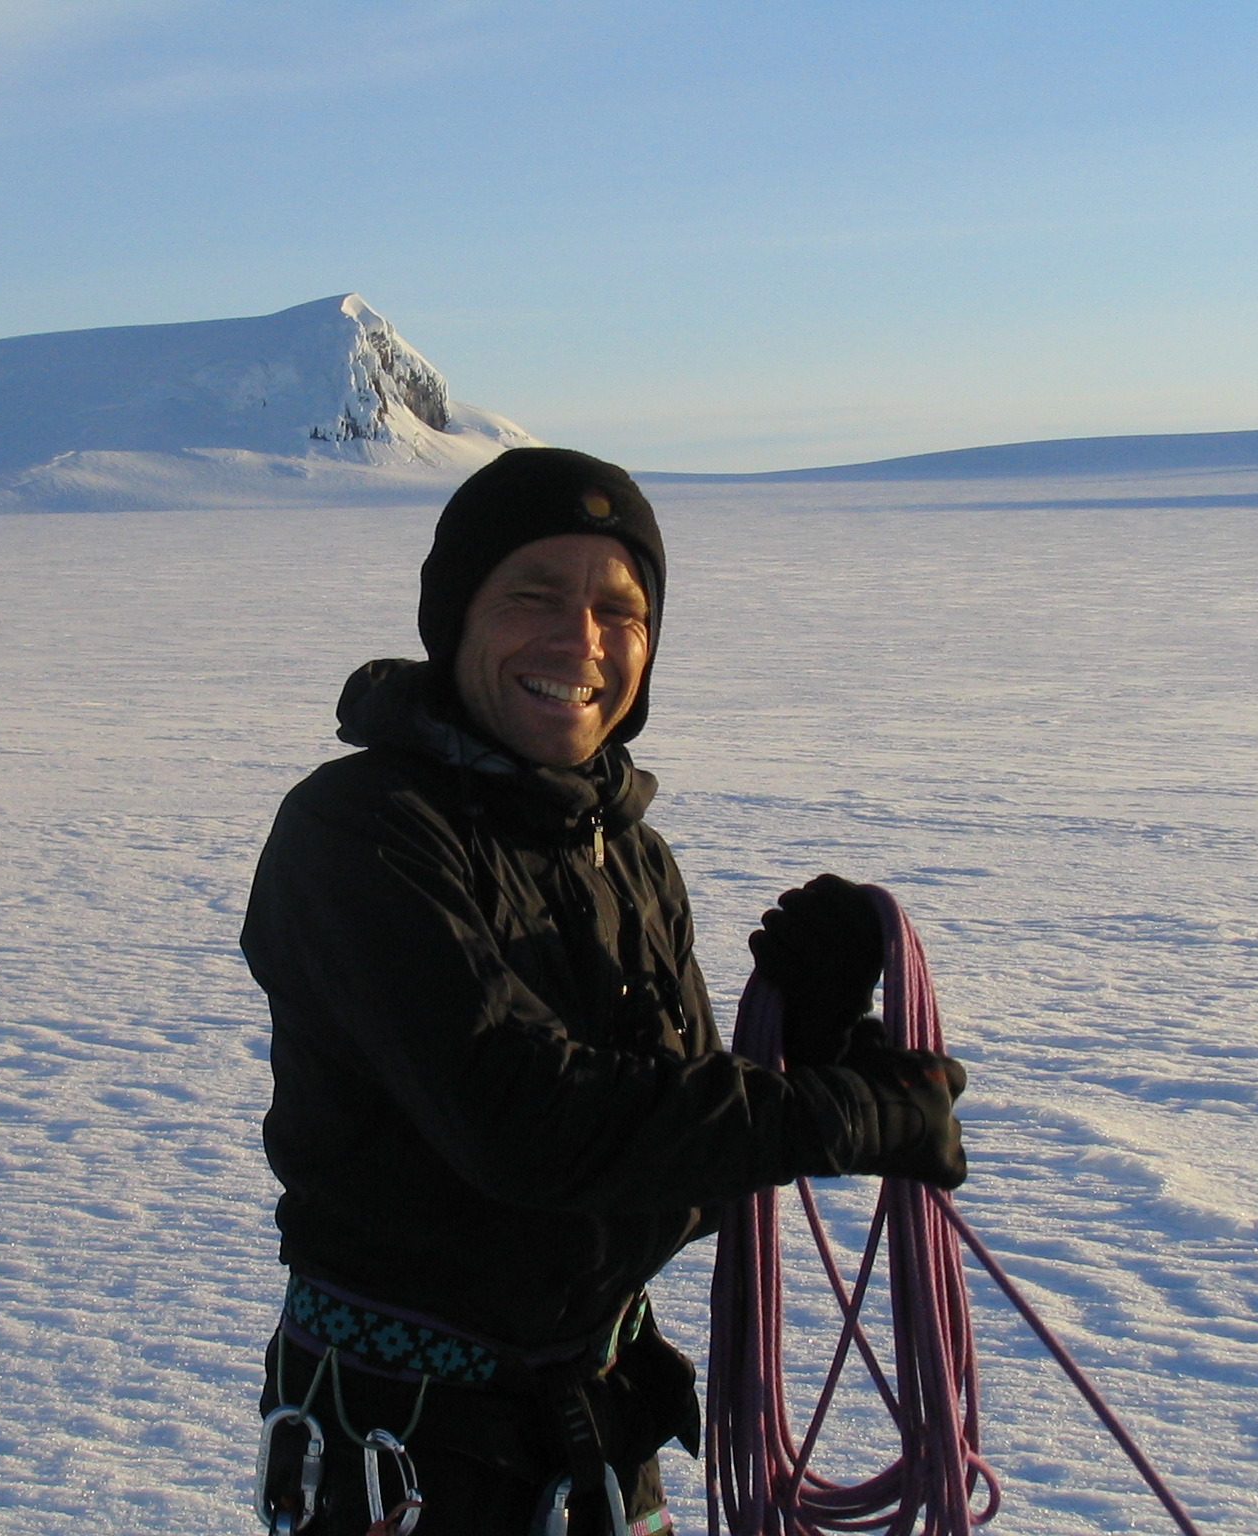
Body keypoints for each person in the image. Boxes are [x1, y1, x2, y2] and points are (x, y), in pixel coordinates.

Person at [240, 448, 967, 1536]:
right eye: (532, 594)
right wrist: (833, 1117)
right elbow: (523, 1124)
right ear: (455, 618)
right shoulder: (358, 834)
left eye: (618, 612)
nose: (578, 641)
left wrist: (808, 1053)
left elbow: (665, 1162)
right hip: (401, 1458)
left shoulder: (625, 852)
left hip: (597, 1436)